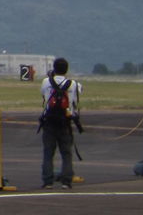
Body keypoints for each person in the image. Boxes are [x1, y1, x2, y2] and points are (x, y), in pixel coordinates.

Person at [39, 57, 81, 189]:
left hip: (49, 121)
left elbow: (43, 95)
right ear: (66, 69)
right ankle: (66, 181)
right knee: (66, 153)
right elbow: (78, 94)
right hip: (65, 121)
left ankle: (47, 181)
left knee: (48, 152)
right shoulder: (73, 84)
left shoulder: (46, 81)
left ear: (54, 68)